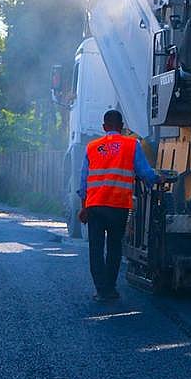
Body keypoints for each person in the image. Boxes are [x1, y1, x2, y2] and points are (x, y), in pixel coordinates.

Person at [77, 109, 161, 301]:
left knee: (96, 249)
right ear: (122, 127)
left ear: (104, 127)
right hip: (118, 206)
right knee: (115, 247)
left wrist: (84, 207)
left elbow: (83, 182)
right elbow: (145, 173)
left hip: (95, 205)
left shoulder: (91, 147)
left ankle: (101, 290)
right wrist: (158, 179)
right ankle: (111, 288)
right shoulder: (132, 145)